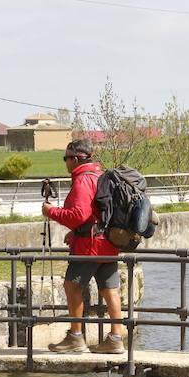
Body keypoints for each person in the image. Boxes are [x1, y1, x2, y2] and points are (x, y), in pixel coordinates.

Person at [42, 139, 125, 354]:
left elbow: (78, 215)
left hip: (90, 246)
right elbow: (94, 214)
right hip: (108, 242)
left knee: (72, 286)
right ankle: (116, 339)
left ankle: (75, 338)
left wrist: (50, 211)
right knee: (110, 290)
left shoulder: (82, 180)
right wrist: (75, 231)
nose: (65, 162)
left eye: (66, 158)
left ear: (76, 159)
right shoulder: (100, 176)